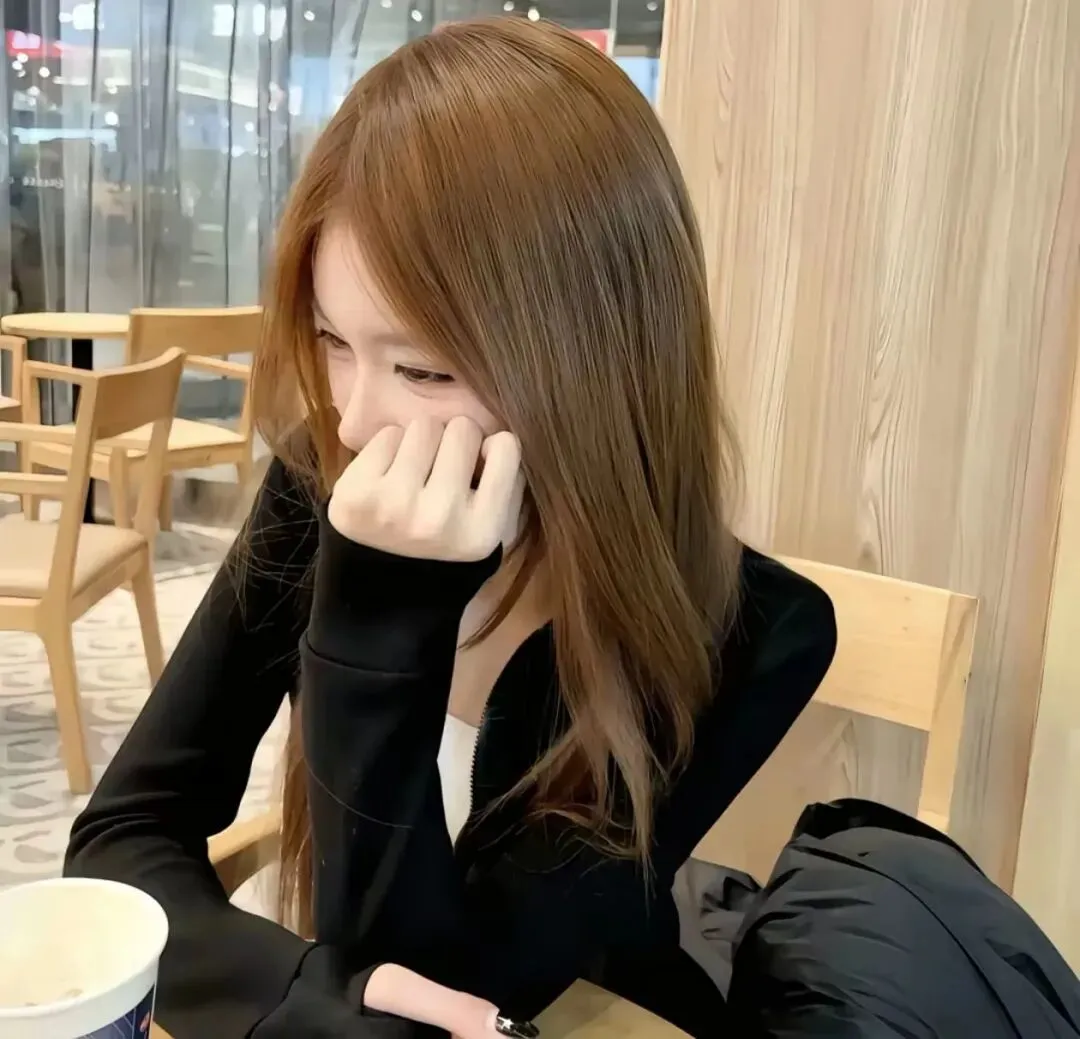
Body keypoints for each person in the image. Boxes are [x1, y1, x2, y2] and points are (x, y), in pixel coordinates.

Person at [64, 17, 837, 1039]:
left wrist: (379, 625)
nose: (355, 420)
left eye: (423, 369)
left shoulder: (751, 631)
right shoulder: (319, 483)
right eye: (334, 340)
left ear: (599, 363)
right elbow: (121, 836)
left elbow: (453, 994)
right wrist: (289, 994)